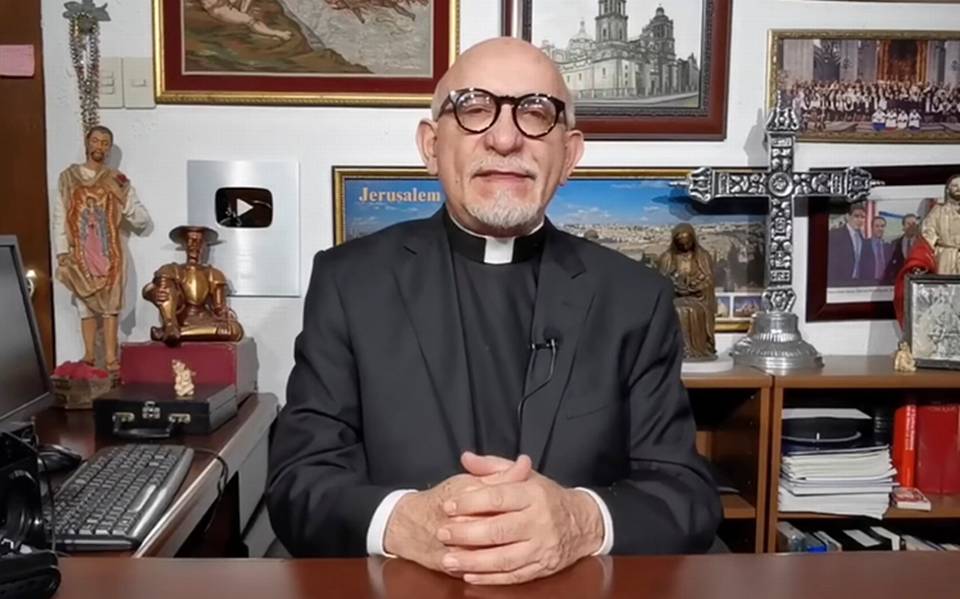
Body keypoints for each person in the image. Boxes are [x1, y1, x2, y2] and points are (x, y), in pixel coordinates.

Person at [267, 37, 720, 584]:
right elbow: (297, 483)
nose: (505, 139)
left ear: (569, 155)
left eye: (536, 113)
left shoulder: (635, 298)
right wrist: (401, 521)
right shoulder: (349, 283)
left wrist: (581, 521)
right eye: (474, 108)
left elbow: (686, 494)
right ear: (432, 145)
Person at [52, 125, 151, 372]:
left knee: (110, 304)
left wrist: (123, 201)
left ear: (109, 149)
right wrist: (62, 251)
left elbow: (141, 219)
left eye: (105, 143)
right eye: (96, 141)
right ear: (88, 143)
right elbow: (60, 216)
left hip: (108, 251)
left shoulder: (116, 180)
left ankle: (110, 357)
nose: (99, 146)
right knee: (84, 303)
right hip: (80, 250)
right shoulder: (68, 178)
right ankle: (88, 356)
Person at [142, 226, 244, 345]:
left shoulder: (213, 273)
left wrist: (226, 317)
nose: (194, 245)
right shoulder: (173, 269)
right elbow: (150, 289)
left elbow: (219, 308)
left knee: (234, 330)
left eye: (199, 241)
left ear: (204, 246)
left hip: (204, 319)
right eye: (190, 240)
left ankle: (172, 333)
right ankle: (170, 325)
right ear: (184, 244)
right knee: (165, 282)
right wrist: (152, 293)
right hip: (180, 317)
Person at [657, 224, 716, 360]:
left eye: (687, 243)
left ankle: (698, 349)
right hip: (674, 297)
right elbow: (661, 282)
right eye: (681, 244)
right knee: (679, 310)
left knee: (691, 310)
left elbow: (708, 281)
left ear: (693, 240)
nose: (684, 247)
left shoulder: (702, 256)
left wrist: (694, 287)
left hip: (698, 299)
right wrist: (676, 287)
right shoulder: (667, 258)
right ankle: (679, 350)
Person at [827, 203, 875, 287]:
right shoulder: (834, 235)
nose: (860, 220)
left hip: (859, 283)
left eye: (862, 217)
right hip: (839, 283)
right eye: (856, 216)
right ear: (847, 216)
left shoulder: (863, 238)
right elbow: (831, 263)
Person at [920, 174, 960, 275]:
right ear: (948, 189)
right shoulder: (938, 210)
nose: (958, 188)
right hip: (946, 257)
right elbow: (928, 233)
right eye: (955, 185)